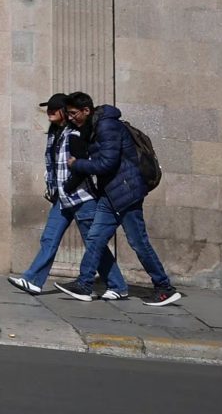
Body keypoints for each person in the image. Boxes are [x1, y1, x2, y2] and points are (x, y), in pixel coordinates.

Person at [59, 94, 181, 307]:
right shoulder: (96, 127)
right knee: (95, 237)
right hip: (111, 193)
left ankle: (164, 287)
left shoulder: (107, 126)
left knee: (138, 242)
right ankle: (84, 284)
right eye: (68, 113)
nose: (71, 118)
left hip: (126, 192)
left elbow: (107, 163)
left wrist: (77, 164)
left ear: (86, 110)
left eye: (73, 113)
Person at [6, 93, 125, 300]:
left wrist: (68, 186)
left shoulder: (75, 133)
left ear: (63, 112)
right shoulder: (54, 134)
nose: (49, 112)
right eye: (48, 109)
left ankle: (117, 285)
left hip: (81, 198)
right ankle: (33, 280)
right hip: (62, 199)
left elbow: (80, 165)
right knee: (49, 238)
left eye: (54, 109)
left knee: (93, 244)